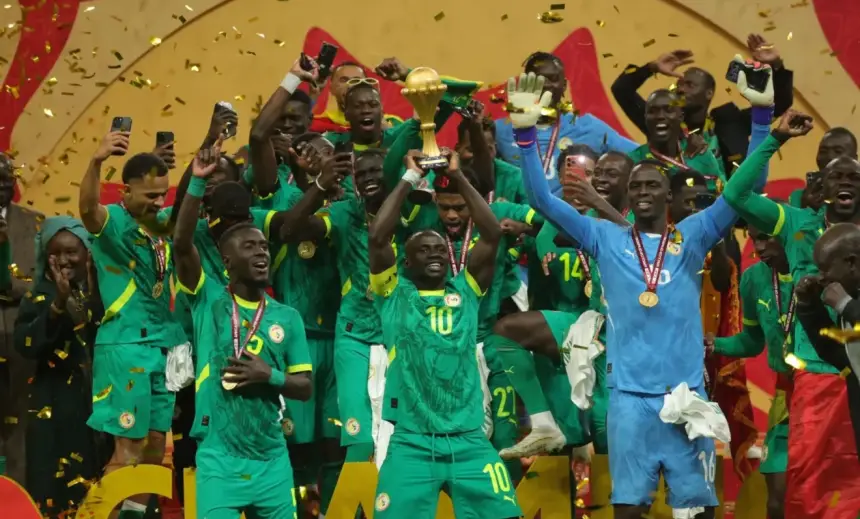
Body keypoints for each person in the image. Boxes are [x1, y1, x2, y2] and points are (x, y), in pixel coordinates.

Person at [510, 71, 800, 519]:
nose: (643, 192)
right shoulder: (604, 237)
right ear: (627, 195)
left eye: (652, 186)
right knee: (628, 511)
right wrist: (526, 136)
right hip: (629, 401)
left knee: (698, 511)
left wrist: (763, 121)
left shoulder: (693, 235)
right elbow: (542, 200)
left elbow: (744, 190)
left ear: (668, 194)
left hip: (686, 396)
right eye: (637, 187)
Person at [368, 148, 521, 519]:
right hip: (412, 443)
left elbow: (491, 234)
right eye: (423, 250)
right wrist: (410, 178)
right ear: (406, 262)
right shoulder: (393, 295)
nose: (435, 253)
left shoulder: (466, 291)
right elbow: (377, 238)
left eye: (439, 248)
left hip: (469, 441)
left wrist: (458, 176)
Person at [720, 115, 860, 519]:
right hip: (816, 377)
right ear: (821, 187)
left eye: (854, 176)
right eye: (836, 177)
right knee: (807, 488)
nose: (846, 183)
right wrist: (773, 137)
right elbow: (735, 193)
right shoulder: (795, 223)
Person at [173, 143, 313, 519]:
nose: (262, 253)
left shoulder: (287, 317)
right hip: (219, 458)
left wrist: (270, 376)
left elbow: (304, 387)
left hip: (272, 459)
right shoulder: (207, 299)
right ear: (227, 260)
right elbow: (181, 243)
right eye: (250, 247)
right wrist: (196, 184)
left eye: (264, 247)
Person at [78, 131, 187, 519]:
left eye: (163, 194)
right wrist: (96, 161)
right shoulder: (112, 222)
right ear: (125, 191)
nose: (159, 202)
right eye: (151, 195)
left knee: (156, 445)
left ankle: (131, 517)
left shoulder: (159, 224)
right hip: (125, 346)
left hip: (165, 346)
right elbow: (87, 208)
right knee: (129, 448)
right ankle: (92, 517)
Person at [12, 217, 103, 518]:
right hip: (53, 404)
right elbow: (26, 345)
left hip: (97, 402)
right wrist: (57, 307)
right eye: (55, 253)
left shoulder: (100, 292)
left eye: (71, 252)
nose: (63, 260)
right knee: (55, 490)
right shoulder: (37, 296)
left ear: (87, 253)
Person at [611, 35, 794, 174]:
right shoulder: (662, 122)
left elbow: (780, 103)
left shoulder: (731, 123)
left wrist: (776, 66)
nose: (680, 89)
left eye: (689, 85)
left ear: (709, 93)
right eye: (679, 84)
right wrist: (651, 68)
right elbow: (621, 90)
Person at [709, 220, 793, 519]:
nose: (758, 248)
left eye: (766, 239)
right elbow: (752, 341)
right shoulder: (754, 278)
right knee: (777, 500)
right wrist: (714, 344)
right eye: (753, 239)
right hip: (785, 399)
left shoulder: (815, 271)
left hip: (828, 396)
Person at [495, 51, 638, 196]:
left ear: (563, 85)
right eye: (538, 79)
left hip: (569, 210)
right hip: (519, 209)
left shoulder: (589, 127)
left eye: (553, 79)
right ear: (526, 84)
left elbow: (641, 157)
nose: (546, 85)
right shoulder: (500, 130)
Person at [792, 224, 860, 518]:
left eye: (825, 269)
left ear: (851, 262)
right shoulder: (853, 300)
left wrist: (845, 304)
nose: (822, 277)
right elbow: (838, 354)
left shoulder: (850, 303)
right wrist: (809, 307)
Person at [0, 152, 42, 485]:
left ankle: (17, 498)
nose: (3, 185)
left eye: (7, 179)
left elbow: (40, 284)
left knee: (20, 425)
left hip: (21, 339)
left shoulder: (35, 223)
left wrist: (9, 287)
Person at [627, 89, 725, 191]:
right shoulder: (633, 162)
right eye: (653, 111)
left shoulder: (700, 153)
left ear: (681, 117)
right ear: (645, 118)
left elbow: (722, 194)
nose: (660, 116)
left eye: (668, 110)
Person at [310, 61, 403, 134]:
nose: (350, 85)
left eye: (356, 80)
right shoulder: (317, 125)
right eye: (344, 80)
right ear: (331, 87)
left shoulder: (393, 122)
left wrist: (387, 131)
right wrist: (313, 94)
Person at [788, 128, 857, 209]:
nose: (829, 157)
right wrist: (804, 207)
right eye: (823, 151)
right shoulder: (798, 197)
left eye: (838, 151)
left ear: (854, 159)